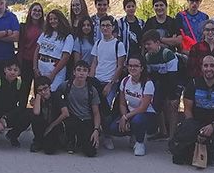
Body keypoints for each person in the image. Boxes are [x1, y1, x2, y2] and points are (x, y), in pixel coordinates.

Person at [180, 55, 214, 166]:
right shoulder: (193, 84)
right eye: (205, 66)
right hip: (196, 122)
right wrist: (192, 127)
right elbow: (187, 110)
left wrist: (212, 125)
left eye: (211, 65)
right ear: (201, 67)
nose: (208, 69)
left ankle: (213, 150)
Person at [90, 15, 126, 150]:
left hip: (110, 82)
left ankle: (107, 136)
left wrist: (110, 84)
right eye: (103, 26)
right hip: (97, 81)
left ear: (113, 27)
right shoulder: (98, 43)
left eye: (108, 26)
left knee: (106, 110)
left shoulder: (118, 44)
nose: (105, 28)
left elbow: (120, 66)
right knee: (94, 107)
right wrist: (91, 79)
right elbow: (94, 62)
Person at [142, 29, 183, 142]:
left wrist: (173, 96)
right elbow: (150, 76)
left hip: (174, 80)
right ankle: (163, 132)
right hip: (160, 81)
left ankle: (172, 136)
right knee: (157, 105)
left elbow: (173, 78)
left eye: (149, 44)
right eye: (145, 44)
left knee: (172, 106)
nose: (147, 47)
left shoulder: (168, 55)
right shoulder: (148, 57)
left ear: (157, 43)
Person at [109, 57, 157, 156]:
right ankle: (133, 134)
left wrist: (127, 117)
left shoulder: (148, 84)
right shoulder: (125, 81)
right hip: (130, 113)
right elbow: (122, 103)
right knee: (113, 128)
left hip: (146, 114)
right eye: (130, 65)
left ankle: (140, 143)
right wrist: (124, 117)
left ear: (142, 68)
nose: (132, 68)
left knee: (137, 121)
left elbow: (143, 108)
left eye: (136, 66)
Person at [0, 61, 31, 146]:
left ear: (19, 72)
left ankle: (13, 135)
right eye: (9, 69)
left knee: (29, 114)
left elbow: (22, 106)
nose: (12, 72)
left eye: (15, 70)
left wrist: (6, 117)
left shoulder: (21, 85)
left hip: (11, 114)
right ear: (5, 70)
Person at [60, 61, 102, 157]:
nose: (81, 73)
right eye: (79, 70)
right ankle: (70, 140)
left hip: (86, 120)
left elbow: (96, 113)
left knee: (91, 152)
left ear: (88, 73)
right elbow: (56, 98)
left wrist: (96, 130)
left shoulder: (92, 90)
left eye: (85, 70)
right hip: (72, 119)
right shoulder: (66, 86)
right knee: (71, 122)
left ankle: (81, 141)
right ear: (74, 72)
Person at [34, 9, 74, 92]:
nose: (52, 21)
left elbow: (65, 58)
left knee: (52, 94)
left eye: (55, 19)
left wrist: (53, 74)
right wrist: (35, 68)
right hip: (41, 67)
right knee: (40, 95)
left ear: (60, 19)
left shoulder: (67, 36)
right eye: (50, 19)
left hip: (55, 69)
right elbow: (37, 50)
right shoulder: (45, 33)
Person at [29, 76, 67, 154]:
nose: (43, 92)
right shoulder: (38, 99)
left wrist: (51, 126)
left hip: (54, 125)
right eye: (40, 90)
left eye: (45, 88)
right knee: (33, 117)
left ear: (50, 87)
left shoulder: (56, 96)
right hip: (42, 125)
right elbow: (36, 112)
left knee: (49, 150)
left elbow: (65, 113)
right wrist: (38, 97)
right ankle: (38, 141)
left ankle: (54, 141)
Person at [17, 2, 44, 103]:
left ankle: (38, 114)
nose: (37, 13)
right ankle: (21, 114)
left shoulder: (45, 28)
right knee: (24, 90)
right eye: (35, 10)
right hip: (26, 61)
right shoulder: (24, 27)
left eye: (39, 11)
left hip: (40, 63)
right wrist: (19, 64)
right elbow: (21, 47)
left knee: (39, 91)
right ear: (30, 12)